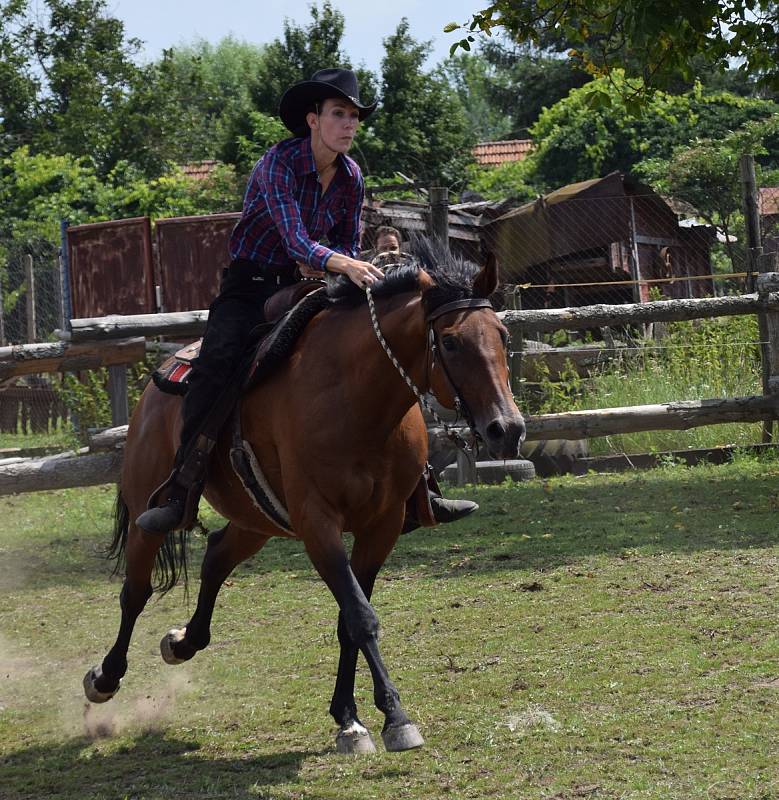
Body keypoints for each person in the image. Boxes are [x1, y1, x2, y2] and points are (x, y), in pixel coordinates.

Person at [137, 68, 476, 534]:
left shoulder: (352, 176)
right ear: (313, 119)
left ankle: (419, 484)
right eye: (339, 114)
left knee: (383, 348)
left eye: (355, 117)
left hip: (308, 283)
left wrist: (347, 268)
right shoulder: (276, 164)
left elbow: (341, 240)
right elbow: (296, 239)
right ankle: (182, 487)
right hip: (249, 287)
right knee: (216, 362)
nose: (349, 125)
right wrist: (345, 265)